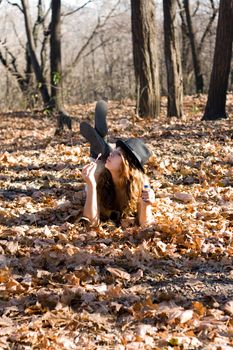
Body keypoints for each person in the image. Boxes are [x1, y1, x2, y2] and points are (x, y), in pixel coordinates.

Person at [80, 100, 155, 227]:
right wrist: (91, 185)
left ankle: (101, 140)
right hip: (103, 173)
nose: (113, 154)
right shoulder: (100, 178)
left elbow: (146, 224)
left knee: (101, 157)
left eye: (118, 154)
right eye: (115, 151)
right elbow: (91, 223)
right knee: (97, 164)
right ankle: (100, 143)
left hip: (114, 172)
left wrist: (146, 205)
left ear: (128, 166)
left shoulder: (141, 186)